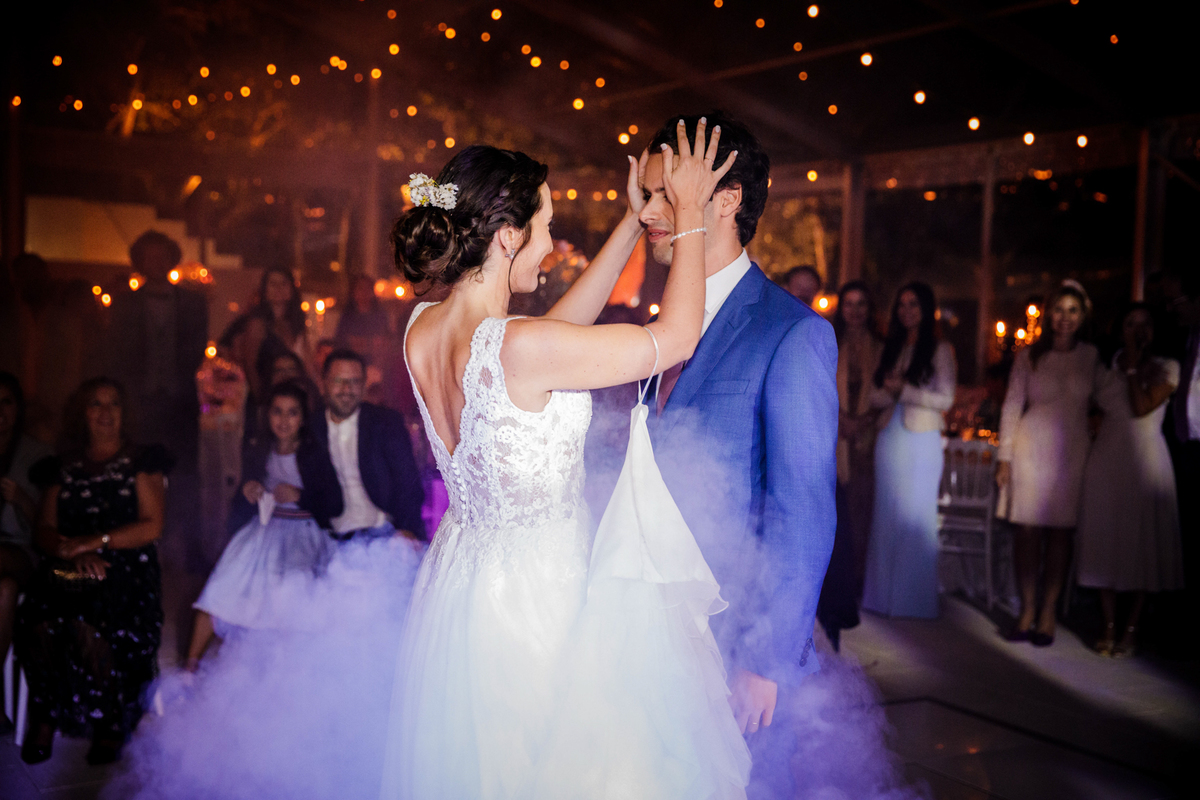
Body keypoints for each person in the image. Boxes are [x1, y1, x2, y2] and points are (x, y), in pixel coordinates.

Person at [383, 122, 749, 798]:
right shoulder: (518, 347)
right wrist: (691, 213)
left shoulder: (421, 328)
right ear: (506, 235)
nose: (552, 247)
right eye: (546, 226)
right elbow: (676, 338)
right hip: (535, 600)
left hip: (463, 581)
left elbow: (561, 334)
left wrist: (633, 224)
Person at [637, 113, 837, 798]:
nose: (646, 213)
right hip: (649, 634)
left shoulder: (793, 334)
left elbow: (802, 512)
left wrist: (766, 658)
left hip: (736, 645)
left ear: (723, 200)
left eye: (663, 193)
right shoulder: (653, 327)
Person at [15, 378, 170, 765]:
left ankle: (109, 721)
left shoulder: (140, 460)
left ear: (124, 412)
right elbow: (44, 531)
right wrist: (70, 553)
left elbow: (151, 526)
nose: (105, 412)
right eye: (96, 405)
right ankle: (46, 715)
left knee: (92, 610)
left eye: (114, 404)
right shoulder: (62, 466)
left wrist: (94, 543)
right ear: (82, 414)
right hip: (71, 567)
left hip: (126, 568)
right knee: (42, 607)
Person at [186, 382, 343, 669]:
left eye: (292, 413)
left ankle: (282, 671)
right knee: (223, 585)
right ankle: (190, 666)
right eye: (277, 412)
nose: (284, 421)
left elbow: (334, 504)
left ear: (303, 418)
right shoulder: (259, 449)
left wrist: (300, 496)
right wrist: (249, 491)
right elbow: (241, 503)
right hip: (264, 529)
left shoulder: (314, 453)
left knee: (289, 598)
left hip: (303, 532)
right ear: (267, 416)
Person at [996, 280, 1100, 646]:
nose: (1065, 318)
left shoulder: (1092, 356)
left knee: (1060, 533)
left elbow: (1109, 400)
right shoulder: (1029, 355)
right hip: (1030, 447)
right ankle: (1026, 608)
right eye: (1059, 310)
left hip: (1071, 450)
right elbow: (1011, 404)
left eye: (1073, 311)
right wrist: (1004, 457)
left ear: (1083, 315)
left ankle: (1048, 611)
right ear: (1049, 313)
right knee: (1027, 532)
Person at [1077, 305, 1184, 656]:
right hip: (1107, 458)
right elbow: (1087, 407)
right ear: (1119, 329)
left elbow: (1140, 408)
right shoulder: (1105, 369)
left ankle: (1132, 628)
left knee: (1141, 545)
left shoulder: (1167, 368)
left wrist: (1136, 365)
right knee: (1105, 541)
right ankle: (1108, 623)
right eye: (1130, 323)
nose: (1138, 329)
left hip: (1145, 459)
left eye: (1145, 323)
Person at [861, 282, 957, 620]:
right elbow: (873, 398)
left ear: (926, 308)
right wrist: (892, 391)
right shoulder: (892, 347)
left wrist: (905, 389)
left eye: (913, 304)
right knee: (886, 512)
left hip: (923, 438)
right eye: (901, 305)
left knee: (916, 515)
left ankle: (912, 602)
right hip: (890, 434)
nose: (906, 311)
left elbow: (946, 399)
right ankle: (880, 597)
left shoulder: (940, 349)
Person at [817, 282, 882, 648]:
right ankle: (835, 600)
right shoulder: (830, 342)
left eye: (862, 304)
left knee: (863, 516)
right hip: (834, 441)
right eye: (850, 304)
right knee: (839, 522)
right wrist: (843, 420)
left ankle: (856, 590)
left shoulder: (881, 348)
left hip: (868, 443)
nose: (855, 311)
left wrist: (864, 420)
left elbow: (888, 394)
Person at [312, 350, 426, 543]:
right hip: (331, 538)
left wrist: (407, 528)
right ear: (323, 384)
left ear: (364, 385)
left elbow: (409, 483)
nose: (347, 389)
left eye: (355, 381)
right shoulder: (311, 427)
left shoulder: (386, 424)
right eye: (339, 381)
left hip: (384, 534)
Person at [1, 372, 53, 723]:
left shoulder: (37, 455)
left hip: (21, 549)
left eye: (6, 401)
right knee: (3, 590)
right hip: (5, 577)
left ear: (18, 408)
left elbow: (48, 526)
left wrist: (20, 498)